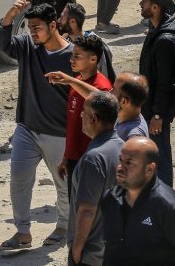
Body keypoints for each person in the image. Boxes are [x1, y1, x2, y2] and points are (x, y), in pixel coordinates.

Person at [0, 1, 72, 251]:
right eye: (29, 27)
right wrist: (10, 15)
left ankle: (64, 226)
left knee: (64, 185)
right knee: (19, 179)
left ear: (53, 25)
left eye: (37, 28)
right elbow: (0, 43)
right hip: (27, 128)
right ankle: (23, 232)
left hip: (59, 133)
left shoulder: (72, 57)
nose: (32, 33)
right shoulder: (28, 46)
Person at [99, 137, 175, 266]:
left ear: (149, 169)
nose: (120, 168)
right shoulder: (110, 199)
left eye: (129, 163)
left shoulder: (170, 208)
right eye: (120, 160)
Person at [45, 34, 113, 190]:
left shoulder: (101, 84)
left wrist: (70, 80)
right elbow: (73, 124)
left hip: (91, 160)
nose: (72, 60)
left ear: (93, 59)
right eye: (72, 55)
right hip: (74, 160)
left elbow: (102, 98)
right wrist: (66, 157)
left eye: (77, 56)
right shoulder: (78, 82)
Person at [137, 0, 175, 185]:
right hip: (150, 107)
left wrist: (158, 115)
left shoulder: (166, 40)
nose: (141, 4)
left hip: (157, 112)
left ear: (156, 7)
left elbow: (166, 83)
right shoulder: (156, 30)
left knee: (160, 157)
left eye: (145, 1)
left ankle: (165, 202)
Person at [67, 91, 123, 266]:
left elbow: (87, 210)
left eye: (84, 111)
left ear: (94, 119)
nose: (81, 115)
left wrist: (76, 251)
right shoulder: (124, 148)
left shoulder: (94, 159)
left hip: (92, 255)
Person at [113, 73, 149, 140]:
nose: (110, 92)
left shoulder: (133, 136)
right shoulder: (128, 113)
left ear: (123, 101)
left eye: (114, 90)